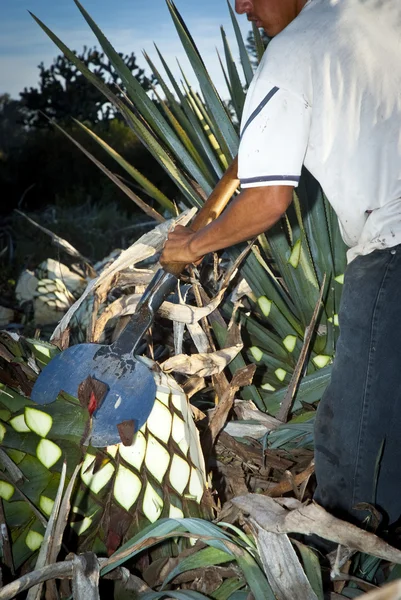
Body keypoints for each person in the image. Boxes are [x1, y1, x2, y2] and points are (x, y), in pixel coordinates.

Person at [161, 0, 401, 530]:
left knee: (355, 455)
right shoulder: (375, 13)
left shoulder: (290, 51)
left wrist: (193, 249)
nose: (242, 6)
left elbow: (269, 199)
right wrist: (204, 220)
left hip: (392, 249)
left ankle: (357, 569)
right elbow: (258, 155)